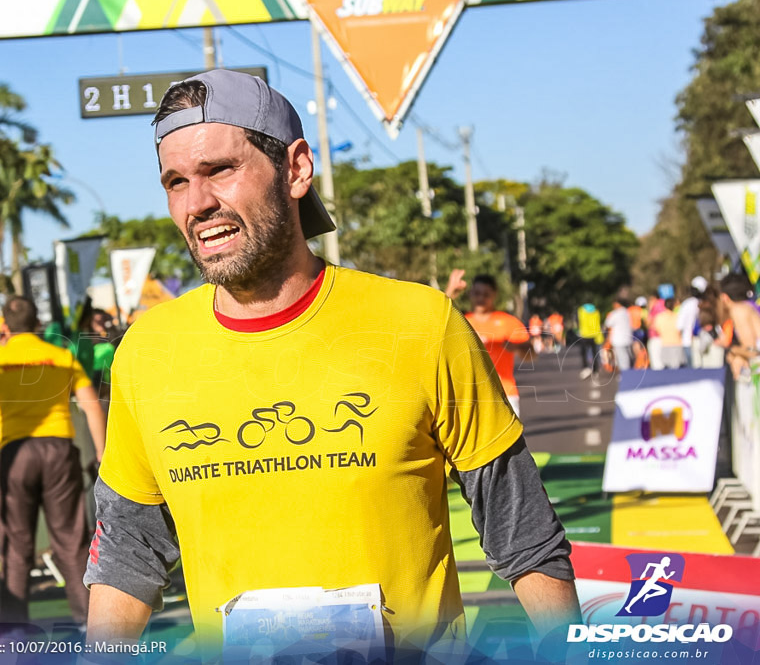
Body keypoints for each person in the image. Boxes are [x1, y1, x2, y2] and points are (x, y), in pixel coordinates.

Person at [83, 70, 580, 657]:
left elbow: (523, 534)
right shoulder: (148, 350)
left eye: (220, 170)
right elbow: (128, 554)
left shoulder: (420, 324)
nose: (198, 203)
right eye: (176, 181)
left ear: (295, 169)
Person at [0, 296, 106, 625]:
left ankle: (14, 630)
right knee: (70, 541)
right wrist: (101, 455)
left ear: (4, 326)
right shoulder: (61, 357)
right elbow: (92, 408)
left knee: (15, 545)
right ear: (38, 324)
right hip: (59, 450)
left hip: (14, 455)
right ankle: (88, 624)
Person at [449, 274, 534, 417]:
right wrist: (450, 293)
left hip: (504, 394)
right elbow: (434, 322)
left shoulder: (508, 321)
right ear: (470, 294)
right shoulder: (461, 321)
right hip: (468, 396)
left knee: (510, 439)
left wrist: (516, 347)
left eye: (486, 294)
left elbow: (531, 354)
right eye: (477, 293)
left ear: (494, 295)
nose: (481, 298)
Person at [719, 273, 760, 380]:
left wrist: (733, 352)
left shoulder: (738, 310)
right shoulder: (750, 305)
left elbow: (752, 350)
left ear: (725, 297)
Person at [677, 276, 707, 369]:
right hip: (702, 342)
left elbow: (679, 325)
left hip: (688, 342)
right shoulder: (707, 304)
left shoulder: (687, 304)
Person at [603, 296, 634, 372]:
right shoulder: (627, 312)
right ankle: (628, 373)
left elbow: (607, 324)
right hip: (628, 338)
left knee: (622, 358)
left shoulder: (614, 314)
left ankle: (625, 375)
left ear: (617, 304)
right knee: (628, 356)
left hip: (618, 340)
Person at [652, 299, 683, 369]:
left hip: (664, 345)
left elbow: (656, 330)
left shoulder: (659, 317)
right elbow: (680, 330)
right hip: (677, 345)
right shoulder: (678, 317)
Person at [577, 303, 604, 380]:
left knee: (584, 353)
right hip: (594, 335)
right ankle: (595, 371)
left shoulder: (581, 311)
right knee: (594, 353)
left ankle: (586, 368)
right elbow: (597, 323)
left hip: (584, 335)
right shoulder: (596, 312)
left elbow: (579, 321)